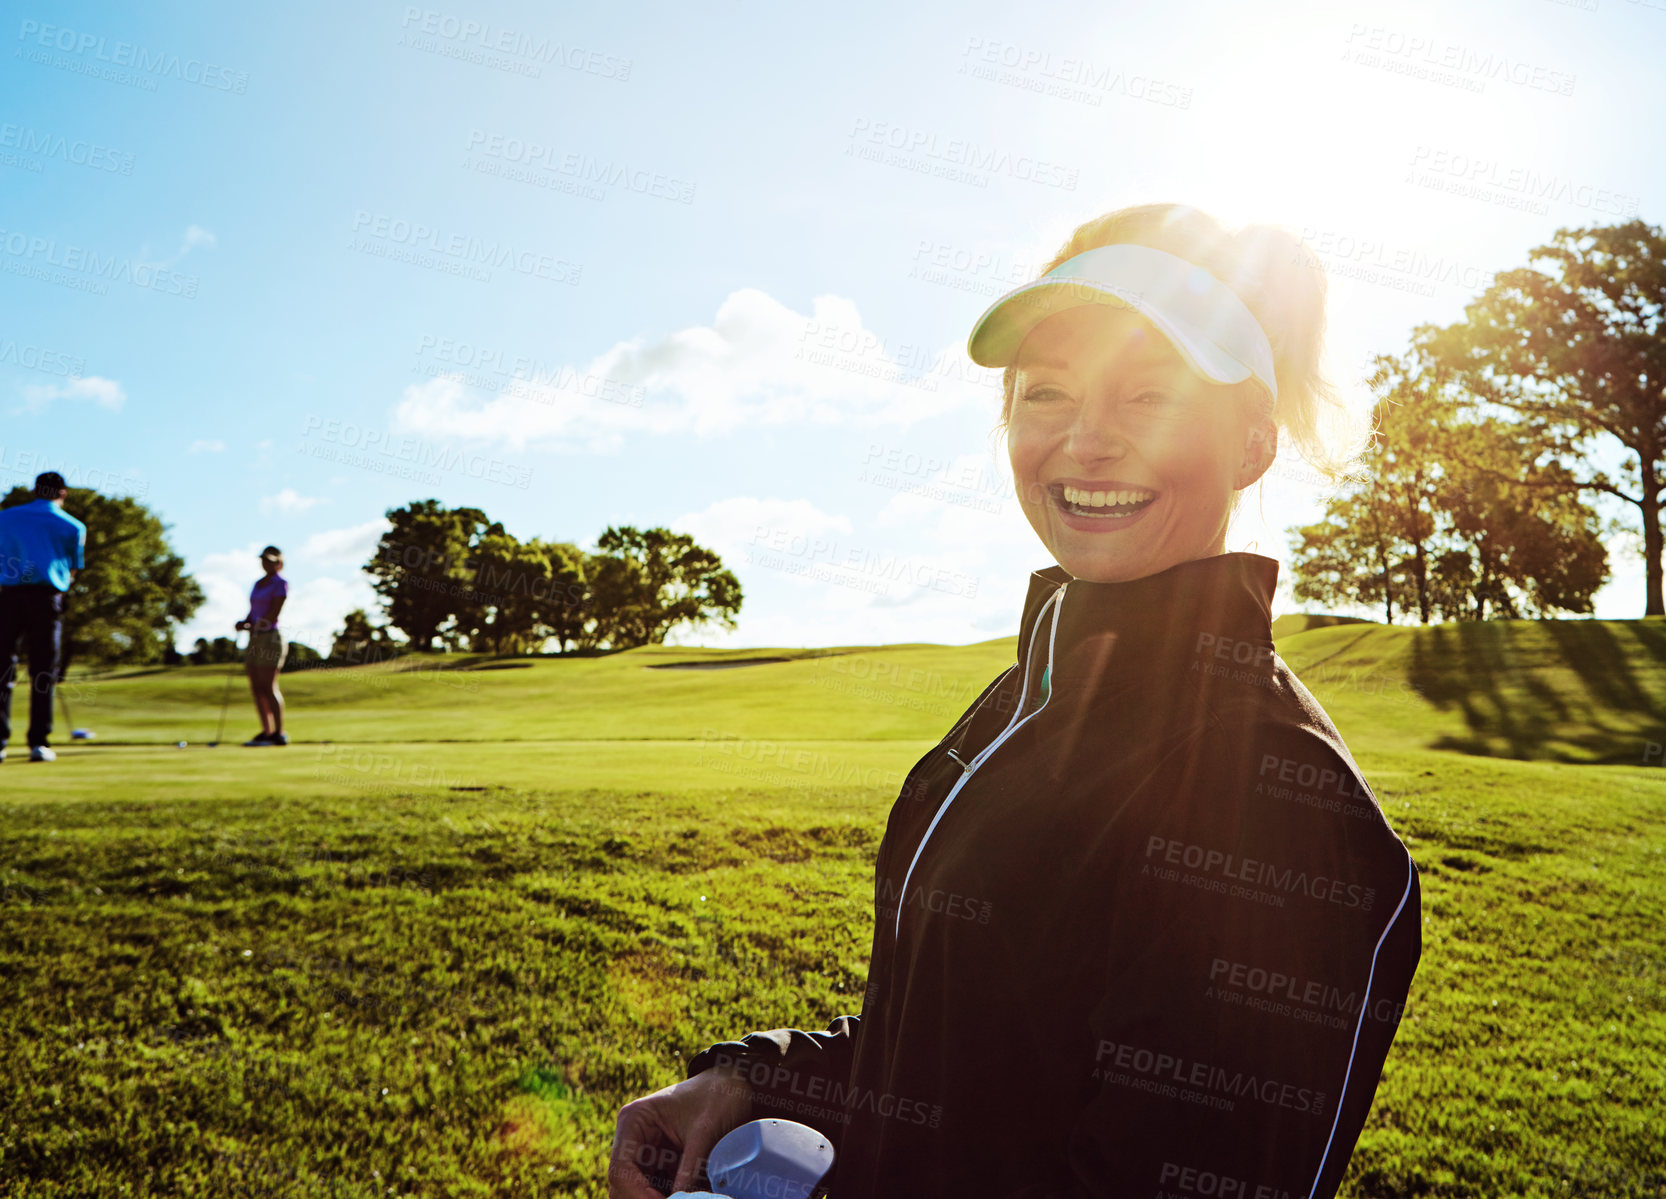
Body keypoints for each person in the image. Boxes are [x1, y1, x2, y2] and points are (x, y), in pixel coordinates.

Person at [609, 205, 1422, 1199]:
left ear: (1252, 441)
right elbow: (949, 1047)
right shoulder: (1025, 700)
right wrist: (751, 1078)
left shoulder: (1271, 794)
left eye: (1148, 395)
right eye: (1047, 392)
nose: (1086, 441)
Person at [0, 471, 87, 764]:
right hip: (46, 599)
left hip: (7, 597)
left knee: (2, 668)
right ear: (62, 493)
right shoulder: (72, 525)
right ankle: (39, 742)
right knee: (43, 673)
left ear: (34, 491)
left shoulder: (5, 517)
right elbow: (73, 569)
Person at [235, 545, 289, 746]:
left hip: (270, 638)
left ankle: (278, 733)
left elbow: (273, 613)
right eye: (265, 560)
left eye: (272, 561)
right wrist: (245, 622)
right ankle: (267, 732)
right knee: (256, 688)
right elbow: (253, 611)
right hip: (254, 638)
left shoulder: (280, 583)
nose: (267, 564)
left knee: (268, 686)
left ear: (279, 563)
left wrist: (257, 624)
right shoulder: (258, 584)